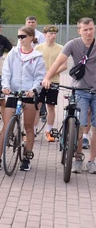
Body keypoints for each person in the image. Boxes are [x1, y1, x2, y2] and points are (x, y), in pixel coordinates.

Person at [42, 17, 96, 174]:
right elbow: (58, 62)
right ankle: (78, 158)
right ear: (79, 31)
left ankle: (92, 160)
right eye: (85, 29)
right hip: (80, 90)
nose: (89, 32)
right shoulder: (73, 44)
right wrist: (47, 78)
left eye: (91, 28)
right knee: (80, 126)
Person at [0, 26, 46, 172]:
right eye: (18, 37)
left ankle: (27, 157)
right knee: (6, 127)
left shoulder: (37, 57)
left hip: (28, 93)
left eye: (23, 36)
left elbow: (39, 77)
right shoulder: (13, 53)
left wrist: (34, 90)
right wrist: (5, 86)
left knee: (29, 127)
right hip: (13, 92)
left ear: (31, 38)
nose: (20, 39)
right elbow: (6, 72)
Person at [34, 25, 66, 142]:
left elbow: (64, 65)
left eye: (54, 33)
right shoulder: (38, 48)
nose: (53, 35)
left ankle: (49, 130)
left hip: (54, 81)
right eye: (50, 33)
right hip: (40, 81)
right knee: (37, 106)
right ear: (45, 34)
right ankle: (33, 130)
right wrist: (42, 77)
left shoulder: (61, 48)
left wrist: (50, 75)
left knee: (51, 106)